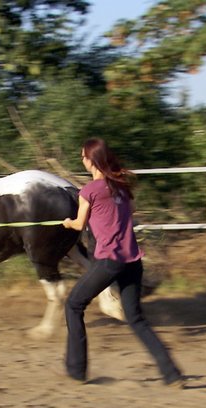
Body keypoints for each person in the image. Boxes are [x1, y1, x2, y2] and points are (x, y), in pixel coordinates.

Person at [61, 137, 184, 387]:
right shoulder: (122, 188)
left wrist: (67, 222)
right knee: (136, 318)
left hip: (108, 261)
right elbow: (130, 211)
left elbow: (79, 224)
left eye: (83, 156)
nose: (82, 160)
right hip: (133, 261)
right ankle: (172, 374)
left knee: (73, 304)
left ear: (92, 160)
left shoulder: (88, 191)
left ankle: (76, 370)